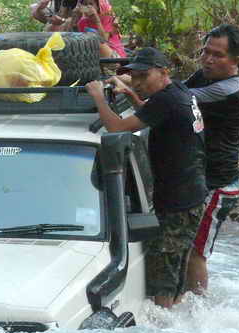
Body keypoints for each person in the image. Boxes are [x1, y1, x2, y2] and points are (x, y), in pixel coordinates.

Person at [86, 48, 207, 309]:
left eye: (143, 76)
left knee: (162, 277)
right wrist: (130, 94)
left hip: (178, 202)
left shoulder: (166, 101)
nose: (138, 82)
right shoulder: (177, 91)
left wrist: (98, 98)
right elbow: (150, 113)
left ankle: (164, 323)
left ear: (163, 72)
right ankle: (180, 316)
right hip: (191, 194)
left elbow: (116, 127)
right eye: (134, 77)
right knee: (175, 269)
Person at [182, 24, 239, 294]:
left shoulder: (229, 89)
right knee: (185, 246)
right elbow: (177, 90)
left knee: (195, 251)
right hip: (200, 178)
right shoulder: (203, 75)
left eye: (217, 55)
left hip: (220, 185)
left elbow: (176, 97)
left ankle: (199, 307)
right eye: (206, 52)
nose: (208, 59)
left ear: (235, 60)